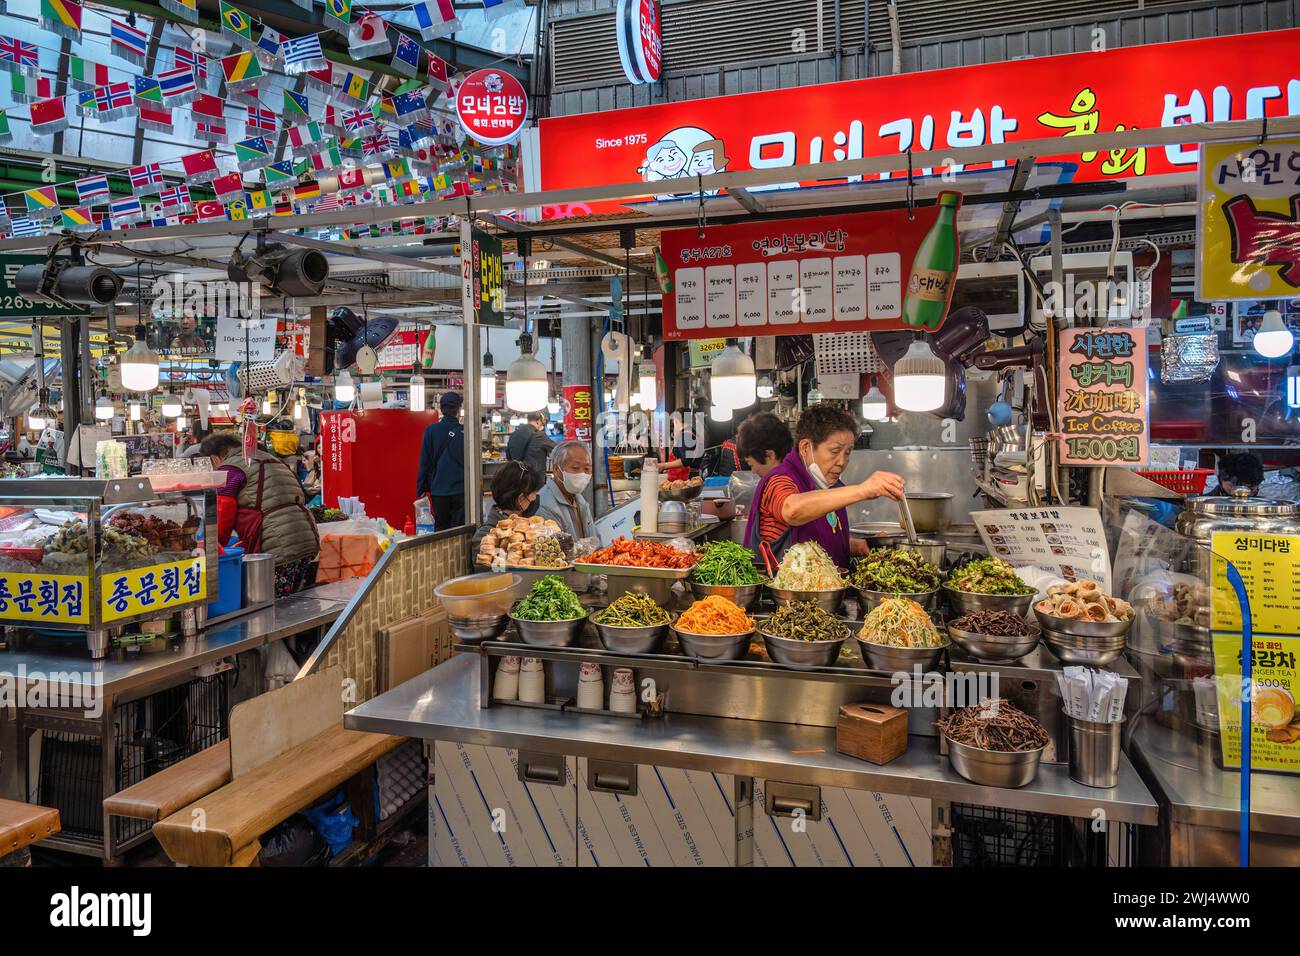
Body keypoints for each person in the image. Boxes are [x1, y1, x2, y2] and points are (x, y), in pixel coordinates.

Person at [744, 404, 904, 569]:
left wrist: (857, 546)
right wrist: (862, 490)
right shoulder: (780, 480)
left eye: (847, 453)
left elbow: (819, 543)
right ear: (806, 447)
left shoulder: (829, 485)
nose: (842, 462)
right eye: (835, 451)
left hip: (830, 591)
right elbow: (792, 510)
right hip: (786, 594)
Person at [200, 432, 320, 596]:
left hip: (275, 545)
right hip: (306, 537)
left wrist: (210, 549)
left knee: (272, 606)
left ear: (214, 458)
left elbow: (222, 514)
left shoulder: (230, 468)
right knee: (293, 602)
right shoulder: (272, 459)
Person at [417, 392, 466, 530]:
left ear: (441, 409)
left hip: (439, 490)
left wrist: (421, 488)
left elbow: (425, 461)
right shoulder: (466, 432)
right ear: (458, 409)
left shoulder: (431, 430)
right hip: (461, 491)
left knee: (441, 530)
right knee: (461, 529)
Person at [471, 461, 544, 553]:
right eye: (533, 492)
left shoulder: (532, 528)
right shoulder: (486, 537)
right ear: (520, 499)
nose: (535, 498)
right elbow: (493, 567)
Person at [536, 439, 596, 542]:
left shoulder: (579, 499)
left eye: (586, 469)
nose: (582, 474)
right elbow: (557, 552)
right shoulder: (544, 506)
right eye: (576, 468)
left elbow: (594, 540)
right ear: (556, 469)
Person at [736, 412, 794, 478]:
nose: (753, 471)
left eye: (751, 464)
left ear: (770, 455)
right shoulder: (795, 474)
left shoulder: (781, 485)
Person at [506, 410, 555, 475]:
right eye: (542, 423)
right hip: (534, 478)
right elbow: (558, 449)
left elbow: (508, 456)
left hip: (516, 477)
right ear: (538, 421)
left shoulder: (513, 435)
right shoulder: (539, 436)